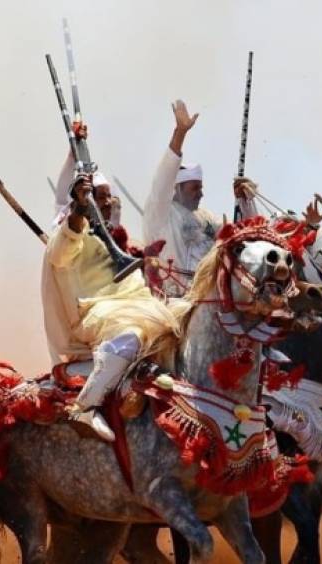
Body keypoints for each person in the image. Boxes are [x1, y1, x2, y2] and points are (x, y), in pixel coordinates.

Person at [42, 174, 182, 441]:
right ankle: (85, 407)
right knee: (130, 336)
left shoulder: (115, 238)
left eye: (109, 197)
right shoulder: (72, 233)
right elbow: (59, 253)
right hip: (99, 313)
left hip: (139, 306)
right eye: (99, 197)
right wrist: (78, 213)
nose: (106, 203)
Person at [142, 100, 261, 297]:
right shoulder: (161, 213)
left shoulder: (206, 217)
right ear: (177, 188)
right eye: (194, 188)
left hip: (208, 301)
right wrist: (180, 133)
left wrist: (245, 201)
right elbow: (162, 180)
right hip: (170, 301)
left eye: (201, 188)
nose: (201, 193)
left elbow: (245, 238)